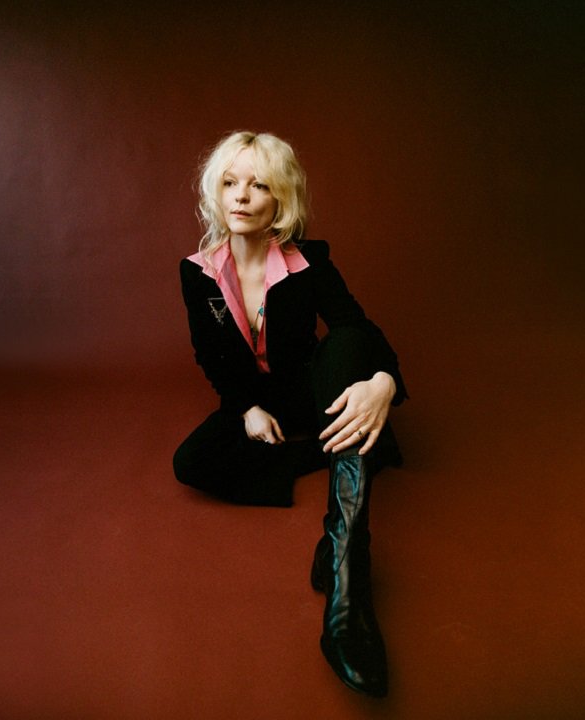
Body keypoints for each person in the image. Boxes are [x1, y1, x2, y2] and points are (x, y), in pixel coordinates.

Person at [173, 131, 407, 698]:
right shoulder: (198, 271)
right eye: (230, 183)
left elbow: (360, 331)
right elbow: (212, 357)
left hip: (311, 389)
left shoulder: (309, 262)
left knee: (351, 348)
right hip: (263, 402)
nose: (242, 196)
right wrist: (247, 407)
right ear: (216, 193)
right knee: (192, 461)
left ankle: (347, 586)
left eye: (259, 185)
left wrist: (383, 383)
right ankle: (336, 450)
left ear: (281, 199)